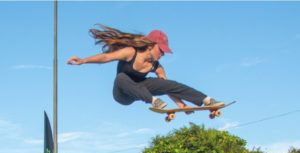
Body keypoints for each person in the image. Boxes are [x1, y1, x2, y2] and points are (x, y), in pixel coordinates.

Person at [67, 24, 223, 110]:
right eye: (161, 50)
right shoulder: (131, 52)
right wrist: (83, 61)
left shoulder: (156, 65)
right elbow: (107, 57)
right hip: (122, 94)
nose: (162, 54)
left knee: (168, 83)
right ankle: (153, 100)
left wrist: (179, 104)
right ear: (151, 46)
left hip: (140, 90)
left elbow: (167, 87)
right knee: (121, 77)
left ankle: (205, 99)